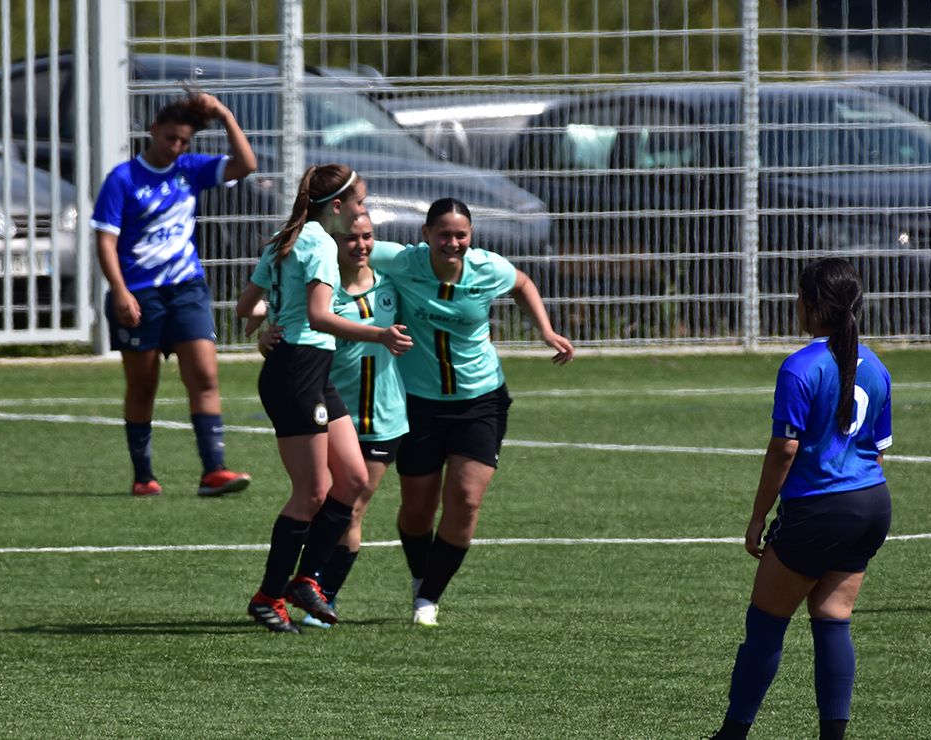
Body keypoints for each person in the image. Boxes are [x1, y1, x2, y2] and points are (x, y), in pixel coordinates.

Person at [708, 258, 893, 740]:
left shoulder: (800, 366)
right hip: (871, 503)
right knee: (832, 620)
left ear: (812, 305)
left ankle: (731, 735)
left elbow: (784, 449)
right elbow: (876, 449)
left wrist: (757, 519)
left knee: (766, 622)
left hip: (819, 509)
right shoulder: (876, 366)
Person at [368, 198, 574, 627]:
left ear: (471, 236)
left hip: (481, 401)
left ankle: (429, 599)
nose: (453, 242)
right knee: (416, 509)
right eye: (443, 234)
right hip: (418, 404)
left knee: (465, 499)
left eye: (461, 234)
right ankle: (421, 575)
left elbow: (521, 283)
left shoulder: (486, 267)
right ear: (425, 235)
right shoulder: (402, 261)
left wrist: (546, 329)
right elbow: (344, 249)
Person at [235, 165, 412, 633]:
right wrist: (379, 334)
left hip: (310, 371)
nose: (362, 212)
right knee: (312, 492)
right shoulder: (315, 243)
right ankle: (268, 595)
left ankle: (305, 580)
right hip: (297, 371)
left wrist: (270, 319)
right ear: (337, 206)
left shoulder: (285, 238)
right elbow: (317, 316)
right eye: (360, 203)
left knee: (352, 479)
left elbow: (244, 308)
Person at [91, 94, 256, 498]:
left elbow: (246, 165)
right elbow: (105, 241)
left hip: (187, 290)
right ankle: (143, 475)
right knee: (143, 386)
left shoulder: (190, 170)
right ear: (152, 132)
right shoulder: (123, 179)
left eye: (184, 141)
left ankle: (213, 470)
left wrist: (224, 114)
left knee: (204, 376)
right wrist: (121, 291)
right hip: (142, 295)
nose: (177, 147)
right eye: (170, 138)